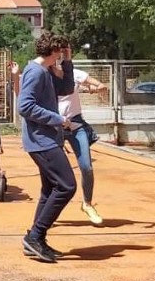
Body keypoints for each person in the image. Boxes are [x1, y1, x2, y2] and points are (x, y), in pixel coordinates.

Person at [13, 54, 108, 225]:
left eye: (61, 58)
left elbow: (100, 85)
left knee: (86, 166)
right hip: (54, 125)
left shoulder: (73, 74)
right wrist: (15, 76)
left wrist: (98, 87)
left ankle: (87, 204)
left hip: (74, 124)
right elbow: (24, 99)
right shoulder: (43, 75)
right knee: (52, 181)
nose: (57, 61)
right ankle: (40, 224)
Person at [17, 33, 77, 262]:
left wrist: (68, 62)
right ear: (53, 51)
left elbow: (67, 88)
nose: (61, 54)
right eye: (61, 51)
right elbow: (25, 106)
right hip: (41, 140)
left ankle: (36, 240)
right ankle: (35, 235)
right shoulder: (36, 72)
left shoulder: (46, 71)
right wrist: (58, 119)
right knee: (66, 186)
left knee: (50, 189)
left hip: (46, 139)